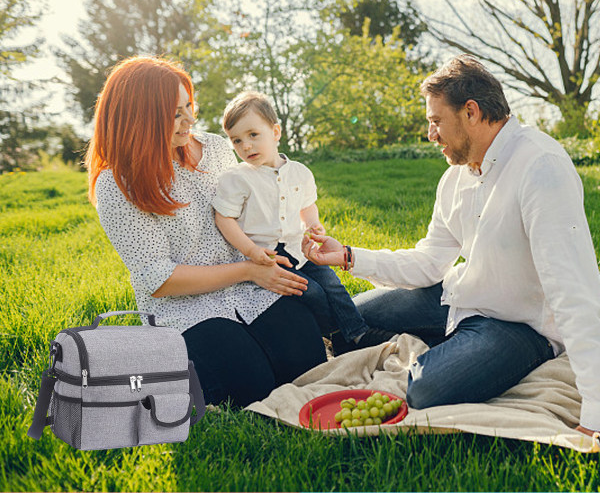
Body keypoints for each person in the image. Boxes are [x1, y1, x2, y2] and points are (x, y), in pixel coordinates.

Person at [302, 55, 600, 437]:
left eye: (436, 121)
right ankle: (454, 345)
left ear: (471, 112)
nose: (430, 134)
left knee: (425, 389)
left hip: (519, 325)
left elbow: (572, 287)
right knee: (348, 319)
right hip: (457, 299)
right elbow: (430, 261)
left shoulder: (541, 167)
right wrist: (347, 256)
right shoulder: (456, 177)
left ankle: (469, 354)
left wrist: (594, 408)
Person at [86, 56, 327, 407]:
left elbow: (251, 207)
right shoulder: (117, 184)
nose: (191, 120)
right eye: (176, 114)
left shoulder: (215, 148)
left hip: (252, 287)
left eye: (189, 106)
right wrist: (248, 270)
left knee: (306, 363)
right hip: (185, 308)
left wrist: (296, 231)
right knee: (251, 385)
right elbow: (159, 278)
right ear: (142, 119)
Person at [212, 91, 393, 350]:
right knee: (312, 292)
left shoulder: (300, 172)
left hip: (300, 250)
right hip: (267, 257)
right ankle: (333, 335)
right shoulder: (237, 178)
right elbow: (224, 218)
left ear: (275, 132)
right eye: (237, 140)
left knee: (333, 285)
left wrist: (313, 225)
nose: (246, 146)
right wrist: (251, 251)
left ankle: (357, 334)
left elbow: (308, 205)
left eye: (253, 135)